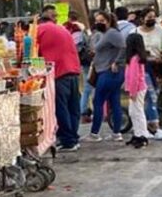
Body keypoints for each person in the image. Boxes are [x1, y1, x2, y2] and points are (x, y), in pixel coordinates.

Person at [37, 14, 82, 151]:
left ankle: (67, 140)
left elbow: (34, 53)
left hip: (58, 73)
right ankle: (73, 137)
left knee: (60, 107)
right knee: (72, 107)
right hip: (73, 70)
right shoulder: (62, 29)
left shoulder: (40, 30)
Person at [85, 10, 126, 142]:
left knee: (98, 101)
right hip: (109, 71)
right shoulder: (105, 34)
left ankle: (95, 133)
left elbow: (123, 47)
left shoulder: (111, 33)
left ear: (108, 21)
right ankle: (116, 133)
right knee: (114, 102)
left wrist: (117, 62)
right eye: (97, 21)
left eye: (102, 21)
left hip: (108, 72)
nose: (98, 23)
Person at [137, 8, 162, 140]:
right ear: (142, 19)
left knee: (154, 95)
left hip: (157, 68)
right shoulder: (134, 32)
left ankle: (145, 125)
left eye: (153, 17)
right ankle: (155, 128)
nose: (152, 19)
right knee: (151, 96)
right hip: (142, 68)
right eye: (148, 17)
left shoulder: (160, 30)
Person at [124, 33, 151, 149]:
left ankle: (142, 135)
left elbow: (134, 78)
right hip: (137, 88)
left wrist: (133, 92)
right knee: (133, 112)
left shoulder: (135, 60)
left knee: (138, 112)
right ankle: (137, 133)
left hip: (137, 89)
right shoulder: (137, 58)